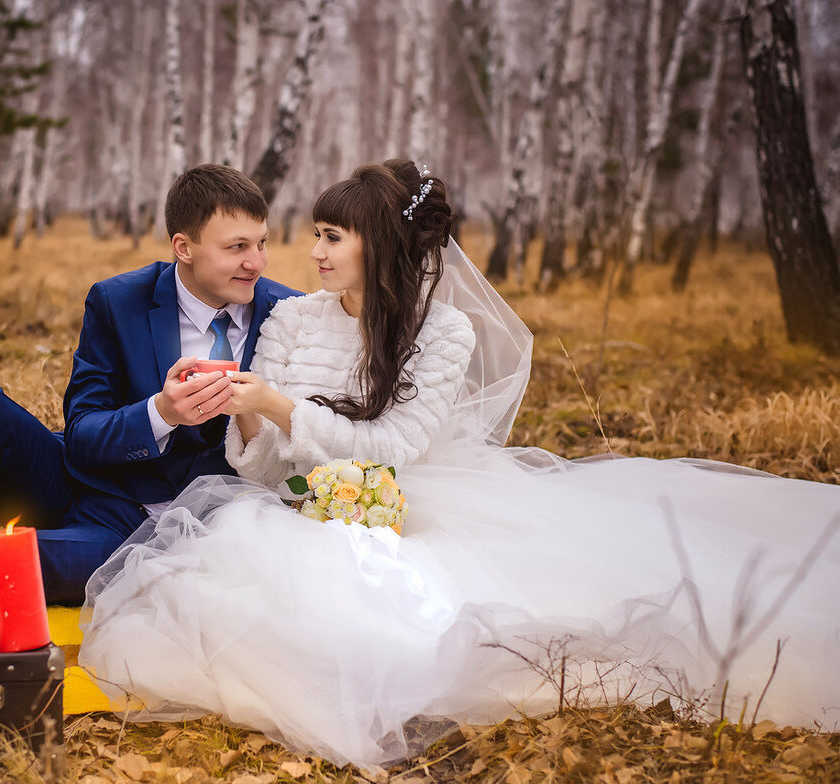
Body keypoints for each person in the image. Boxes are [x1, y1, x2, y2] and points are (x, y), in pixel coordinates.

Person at [78, 160, 840, 769]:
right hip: (286, 506)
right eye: (314, 233)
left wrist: (278, 407)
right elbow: (254, 469)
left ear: (379, 244)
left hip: (409, 505)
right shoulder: (287, 317)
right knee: (235, 593)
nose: (311, 254)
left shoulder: (443, 335)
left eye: (333, 236)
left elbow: (396, 450)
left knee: (408, 617)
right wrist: (243, 414)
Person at [0, 164, 299, 607]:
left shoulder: (287, 313)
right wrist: (160, 414)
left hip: (148, 533)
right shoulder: (119, 301)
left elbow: (300, 441)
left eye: (262, 242)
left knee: (12, 558)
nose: (257, 262)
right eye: (237, 247)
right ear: (184, 248)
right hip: (83, 483)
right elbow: (82, 433)